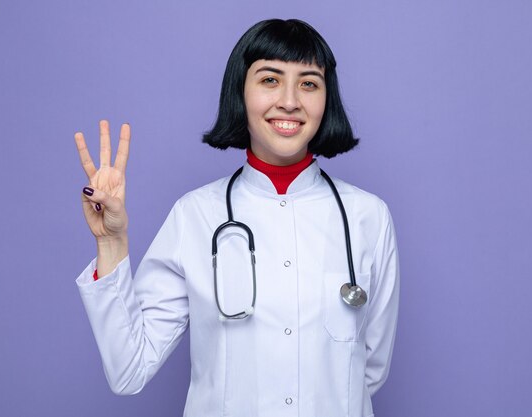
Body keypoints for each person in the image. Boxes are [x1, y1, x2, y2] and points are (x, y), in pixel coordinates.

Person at [74, 18, 399, 417]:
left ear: (325, 100)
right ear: (239, 92)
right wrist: (110, 243)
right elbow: (129, 369)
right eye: (270, 80)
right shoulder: (194, 215)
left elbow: (369, 369)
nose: (291, 101)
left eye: (309, 83)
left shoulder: (368, 217)